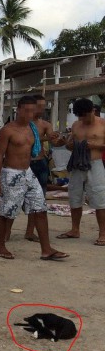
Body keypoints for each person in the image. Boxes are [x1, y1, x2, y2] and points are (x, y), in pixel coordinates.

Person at [0, 95, 68, 260]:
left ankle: (46, 249)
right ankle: (1, 246)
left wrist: (56, 139)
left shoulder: (33, 128)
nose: (29, 114)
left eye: (33, 111)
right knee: (6, 212)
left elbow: (41, 142)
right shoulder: (8, 130)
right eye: (26, 110)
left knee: (40, 209)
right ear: (17, 110)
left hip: (28, 173)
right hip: (11, 173)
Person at [57, 98, 105, 245]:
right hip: (78, 164)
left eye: (85, 115)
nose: (83, 119)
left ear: (93, 111)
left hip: (95, 163)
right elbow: (70, 145)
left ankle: (103, 233)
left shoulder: (103, 124)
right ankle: (75, 229)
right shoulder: (76, 125)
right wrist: (69, 144)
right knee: (74, 196)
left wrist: (94, 144)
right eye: (80, 116)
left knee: (99, 197)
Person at [21, 95, 67, 242]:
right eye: (39, 106)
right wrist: (47, 138)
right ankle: (6, 231)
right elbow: (26, 139)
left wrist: (60, 140)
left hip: (39, 162)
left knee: (38, 199)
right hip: (23, 163)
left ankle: (30, 231)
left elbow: (54, 143)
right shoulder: (22, 125)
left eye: (43, 106)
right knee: (16, 197)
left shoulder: (45, 125)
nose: (41, 109)